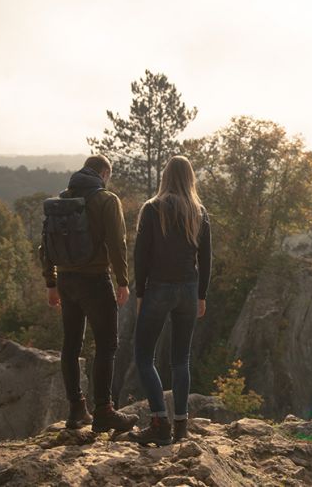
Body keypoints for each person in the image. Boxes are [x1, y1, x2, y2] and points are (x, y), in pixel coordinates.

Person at [40, 154, 138, 433]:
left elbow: (45, 244)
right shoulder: (107, 200)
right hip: (95, 280)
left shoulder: (61, 200)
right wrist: (123, 281)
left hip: (67, 281)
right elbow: (117, 243)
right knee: (107, 345)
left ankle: (76, 410)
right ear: (105, 173)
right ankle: (104, 411)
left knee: (71, 346)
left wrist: (51, 283)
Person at [127, 155, 211, 446]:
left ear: (165, 176)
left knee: (143, 356)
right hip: (188, 290)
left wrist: (140, 294)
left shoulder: (153, 209)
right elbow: (206, 259)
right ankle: (181, 426)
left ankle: (160, 422)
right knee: (180, 360)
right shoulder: (198, 212)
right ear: (190, 178)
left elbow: (141, 255)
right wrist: (201, 295)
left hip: (159, 289)